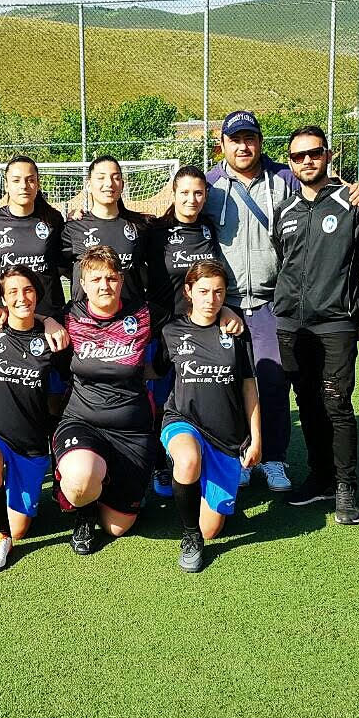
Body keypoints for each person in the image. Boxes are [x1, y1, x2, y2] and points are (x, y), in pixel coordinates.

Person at [205, 109, 359, 494]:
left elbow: (331, 192)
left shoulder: (284, 177)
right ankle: (240, 456)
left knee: (275, 384)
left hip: (272, 304)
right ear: (223, 146)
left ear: (261, 142)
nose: (243, 145)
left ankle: (275, 459)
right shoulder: (210, 185)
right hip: (225, 305)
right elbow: (175, 214)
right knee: (226, 385)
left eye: (250, 138)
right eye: (236, 140)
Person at [272, 126, 359, 525]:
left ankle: (345, 486)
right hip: (290, 323)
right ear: (290, 163)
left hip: (335, 323)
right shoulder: (284, 211)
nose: (307, 160)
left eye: (314, 153)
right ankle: (320, 476)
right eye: (298, 156)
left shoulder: (355, 205)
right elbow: (283, 262)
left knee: (336, 404)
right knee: (306, 403)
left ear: (328, 155)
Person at [155, 260, 262, 572]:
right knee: (187, 459)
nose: (211, 299)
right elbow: (153, 371)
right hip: (182, 420)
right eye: (203, 291)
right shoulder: (171, 331)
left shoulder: (236, 332)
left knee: (211, 530)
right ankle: (190, 538)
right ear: (188, 292)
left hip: (226, 436)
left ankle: (202, 509)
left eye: (218, 292)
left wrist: (255, 439)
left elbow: (248, 389)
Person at [52, 245, 157, 555]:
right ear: (83, 284)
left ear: (121, 281)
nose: (104, 286)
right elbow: (30, 316)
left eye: (111, 278)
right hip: (82, 422)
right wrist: (47, 322)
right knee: (81, 480)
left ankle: (107, 482)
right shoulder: (70, 316)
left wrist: (228, 312)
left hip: (132, 431)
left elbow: (189, 316)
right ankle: (83, 510)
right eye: (95, 279)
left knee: (117, 528)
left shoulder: (144, 314)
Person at [0, 264, 70, 571]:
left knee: (21, 529)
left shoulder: (53, 338)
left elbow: (66, 389)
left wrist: (48, 319)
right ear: (1, 297)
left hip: (30, 440)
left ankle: (12, 506)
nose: (21, 297)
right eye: (12, 292)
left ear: (37, 294)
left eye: (27, 290)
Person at [144, 165, 221, 497]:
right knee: (162, 401)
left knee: (200, 398)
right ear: (173, 194)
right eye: (185, 192)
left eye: (199, 193)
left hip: (203, 331)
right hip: (164, 332)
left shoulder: (209, 229)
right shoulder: (154, 233)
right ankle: (161, 465)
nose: (192, 199)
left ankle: (205, 458)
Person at [0, 155, 66, 319]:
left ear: (37, 184)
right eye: (16, 180)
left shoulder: (54, 220)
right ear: (6, 185)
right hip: (6, 315)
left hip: (48, 314)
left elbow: (64, 264)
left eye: (30, 180)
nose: (24, 186)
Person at [61, 155, 150, 306]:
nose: (109, 183)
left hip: (129, 320)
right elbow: (61, 268)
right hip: (85, 322)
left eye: (115, 177)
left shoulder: (139, 227)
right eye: (101, 178)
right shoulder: (73, 228)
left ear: (122, 184)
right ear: (88, 185)